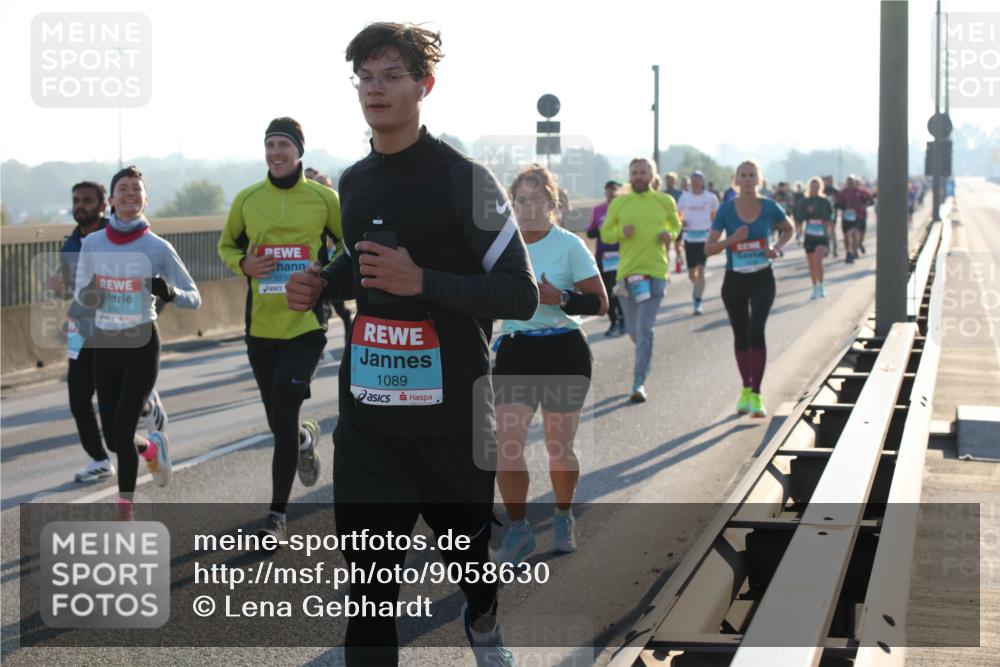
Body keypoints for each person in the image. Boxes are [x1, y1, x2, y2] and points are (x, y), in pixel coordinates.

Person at [285, 22, 537, 667]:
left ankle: (483, 624)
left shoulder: (466, 179)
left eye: (391, 75)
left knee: (468, 561)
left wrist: (422, 281)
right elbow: (361, 261)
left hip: (452, 423)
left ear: (424, 85)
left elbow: (519, 294)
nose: (376, 89)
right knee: (369, 594)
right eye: (365, 77)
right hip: (370, 425)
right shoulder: (355, 180)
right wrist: (324, 281)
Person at [218, 117, 342, 542]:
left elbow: (348, 243)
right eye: (270, 144)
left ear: (299, 151)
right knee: (280, 424)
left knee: (285, 409)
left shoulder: (325, 199)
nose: (276, 152)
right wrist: (243, 264)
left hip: (306, 324)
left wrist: (325, 273)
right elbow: (226, 244)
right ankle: (305, 440)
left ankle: (276, 514)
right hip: (261, 328)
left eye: (283, 145)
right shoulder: (248, 199)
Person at [72, 166, 201, 519]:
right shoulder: (92, 243)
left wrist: (171, 292)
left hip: (143, 344)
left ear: (145, 199)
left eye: (136, 189)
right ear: (111, 200)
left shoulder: (157, 246)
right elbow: (82, 295)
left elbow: (195, 297)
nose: (130, 193)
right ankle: (150, 449)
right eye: (122, 189)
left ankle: (124, 510)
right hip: (106, 345)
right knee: (115, 439)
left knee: (123, 425)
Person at [493, 165, 607, 565]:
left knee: (559, 446)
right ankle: (519, 528)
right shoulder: (501, 245)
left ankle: (562, 517)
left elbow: (599, 303)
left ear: (552, 203)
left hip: (563, 351)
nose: (527, 209)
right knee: (506, 445)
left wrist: (560, 298)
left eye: (535, 200)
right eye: (519, 201)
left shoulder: (569, 245)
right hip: (516, 350)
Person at [59, 182, 168, 483]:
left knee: (119, 404)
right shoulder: (71, 244)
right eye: (76, 200)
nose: (80, 205)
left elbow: (150, 285)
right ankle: (100, 460)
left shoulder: (118, 236)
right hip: (83, 330)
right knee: (78, 398)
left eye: (87, 200)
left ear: (104, 205)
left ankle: (146, 406)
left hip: (115, 331)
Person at [705, 160, 793, 419]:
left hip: (762, 277)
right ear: (736, 180)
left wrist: (777, 248)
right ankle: (745, 388)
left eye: (751, 175)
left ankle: (756, 394)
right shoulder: (726, 210)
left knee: (757, 331)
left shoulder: (769, 207)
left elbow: (788, 229)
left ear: (758, 179)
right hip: (735, 279)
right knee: (741, 335)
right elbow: (708, 249)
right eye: (742, 175)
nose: (747, 179)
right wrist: (731, 240)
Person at [600, 157, 681, 402]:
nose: (638, 176)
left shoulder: (665, 200)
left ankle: (638, 383)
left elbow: (676, 225)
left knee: (645, 329)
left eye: (643, 172)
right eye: (634, 172)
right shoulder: (620, 202)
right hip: (627, 276)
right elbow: (605, 233)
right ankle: (644, 358)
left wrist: (671, 235)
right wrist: (619, 233)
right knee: (636, 332)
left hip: (656, 271)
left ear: (652, 175)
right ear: (629, 175)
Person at [305, 167, 354, 337]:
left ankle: (347, 332)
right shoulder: (307, 205)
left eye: (322, 184)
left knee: (339, 308)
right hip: (319, 263)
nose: (316, 186)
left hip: (337, 259)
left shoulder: (336, 202)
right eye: (309, 180)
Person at [676, 170, 719, 315]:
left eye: (697, 179)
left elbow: (716, 214)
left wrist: (713, 227)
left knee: (701, 270)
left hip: (704, 237)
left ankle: (698, 300)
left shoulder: (711, 197)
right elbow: (678, 213)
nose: (695, 182)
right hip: (690, 238)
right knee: (691, 274)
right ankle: (697, 289)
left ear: (702, 182)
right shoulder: (685, 197)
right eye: (692, 179)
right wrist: (682, 220)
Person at [586, 180, 625, 335]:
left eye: (614, 190)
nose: (611, 193)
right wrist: (600, 230)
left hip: (621, 255)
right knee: (606, 291)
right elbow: (589, 232)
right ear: (605, 192)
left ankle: (623, 319)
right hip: (603, 256)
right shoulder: (598, 210)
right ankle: (614, 321)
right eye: (608, 190)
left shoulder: (624, 208)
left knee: (619, 290)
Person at [794, 177, 834, 298]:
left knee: (818, 261)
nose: (815, 188)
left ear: (820, 187)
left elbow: (830, 218)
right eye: (813, 186)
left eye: (817, 186)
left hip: (821, 236)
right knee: (811, 264)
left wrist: (830, 233)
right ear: (809, 188)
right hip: (810, 236)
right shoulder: (805, 202)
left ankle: (821, 286)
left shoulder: (824, 201)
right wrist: (799, 232)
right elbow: (799, 218)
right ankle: (814, 287)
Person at [835, 174, 873, 264]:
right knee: (846, 236)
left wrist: (863, 205)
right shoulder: (843, 192)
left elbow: (870, 201)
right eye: (848, 182)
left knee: (856, 234)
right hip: (846, 217)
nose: (850, 184)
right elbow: (837, 204)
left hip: (858, 216)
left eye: (852, 182)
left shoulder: (861, 192)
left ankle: (855, 250)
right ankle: (849, 251)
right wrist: (845, 207)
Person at [822, 175, 840, 258]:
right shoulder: (822, 190)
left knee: (832, 231)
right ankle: (827, 249)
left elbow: (839, 201)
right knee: (825, 232)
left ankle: (835, 249)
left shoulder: (835, 190)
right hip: (823, 214)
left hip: (832, 213)